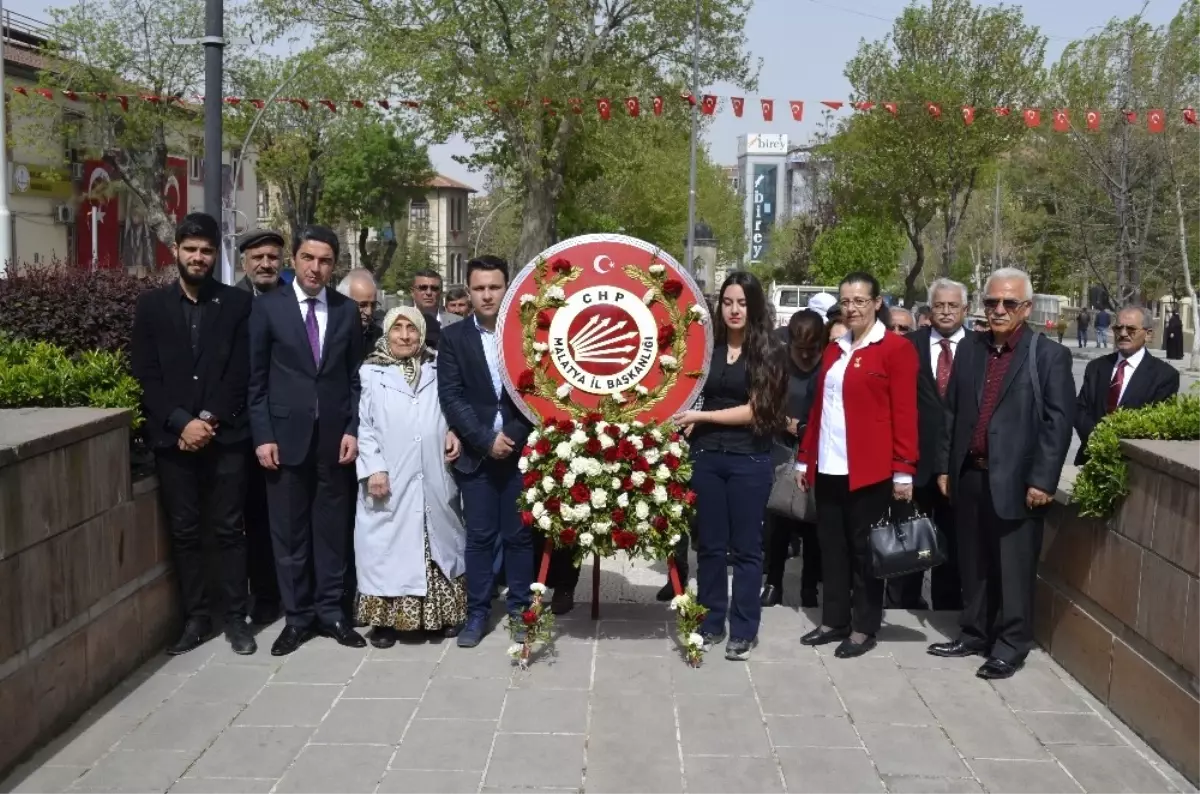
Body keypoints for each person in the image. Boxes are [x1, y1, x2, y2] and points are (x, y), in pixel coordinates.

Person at [931, 268, 1074, 680]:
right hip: (971, 477)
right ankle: (974, 633)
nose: (998, 310)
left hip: (1017, 481)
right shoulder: (971, 349)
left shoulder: (1047, 356)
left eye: (1009, 303)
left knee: (1013, 569)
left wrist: (1043, 480)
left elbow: (1057, 422)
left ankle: (1011, 644)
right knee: (972, 564)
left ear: (1026, 308)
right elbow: (951, 413)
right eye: (991, 302)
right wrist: (944, 467)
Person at [130, 213, 256, 656]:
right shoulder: (152, 306)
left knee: (228, 529)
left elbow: (241, 372)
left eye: (206, 251)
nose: (199, 257)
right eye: (191, 250)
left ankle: (236, 618)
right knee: (183, 532)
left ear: (214, 255)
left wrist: (206, 419)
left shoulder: (238, 305)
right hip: (173, 440)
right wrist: (182, 422)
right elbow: (146, 375)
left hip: (225, 438)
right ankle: (197, 618)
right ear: (176, 251)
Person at [248, 225, 367, 656]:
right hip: (284, 441)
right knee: (290, 536)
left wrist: (353, 428)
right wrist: (262, 436)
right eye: (309, 259)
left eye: (325, 261)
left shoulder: (346, 310)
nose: (316, 268)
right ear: (294, 260)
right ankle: (297, 618)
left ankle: (332, 612)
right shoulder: (268, 309)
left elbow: (356, 380)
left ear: (334, 265)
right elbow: (255, 380)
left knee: (332, 533)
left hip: (335, 443)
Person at [796, 271, 919, 660]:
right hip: (830, 465)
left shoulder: (895, 350)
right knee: (831, 547)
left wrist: (903, 469)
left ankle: (864, 626)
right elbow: (818, 410)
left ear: (877, 303)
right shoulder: (835, 349)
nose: (851, 308)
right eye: (845, 301)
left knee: (866, 551)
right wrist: (805, 459)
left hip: (870, 470)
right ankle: (834, 619)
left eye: (859, 301)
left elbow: (905, 413)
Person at [672, 272, 787, 661]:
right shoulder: (710, 349)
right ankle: (710, 622)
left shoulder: (769, 349)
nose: (734, 310)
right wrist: (689, 421)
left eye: (742, 302)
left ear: (754, 306)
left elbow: (758, 411)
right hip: (706, 458)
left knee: (747, 550)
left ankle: (743, 629)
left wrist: (703, 418)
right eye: (727, 302)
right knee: (709, 547)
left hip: (748, 460)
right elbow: (691, 393)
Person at [437, 255, 535, 648]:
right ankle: (477, 614)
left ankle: (520, 610)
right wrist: (482, 439)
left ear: (507, 287)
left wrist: (510, 435)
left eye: (494, 287)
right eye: (479, 288)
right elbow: (452, 395)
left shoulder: (525, 334)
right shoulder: (453, 338)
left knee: (519, 537)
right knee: (478, 537)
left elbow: (536, 391)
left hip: (519, 451)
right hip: (475, 454)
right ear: (468, 291)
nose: (487, 295)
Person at [355, 307, 466, 647]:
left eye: (411, 329)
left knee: (437, 541)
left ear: (422, 333)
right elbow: (365, 425)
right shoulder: (370, 372)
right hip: (390, 476)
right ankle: (385, 623)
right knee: (388, 547)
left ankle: (441, 615)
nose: (404, 335)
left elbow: (452, 407)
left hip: (434, 474)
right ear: (386, 333)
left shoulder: (437, 368)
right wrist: (373, 468)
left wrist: (455, 432)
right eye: (397, 328)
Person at [888, 279, 970, 612]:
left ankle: (947, 608)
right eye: (940, 305)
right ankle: (901, 604)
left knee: (952, 542)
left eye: (953, 306)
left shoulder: (980, 348)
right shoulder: (909, 344)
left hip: (959, 465)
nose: (946, 312)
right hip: (914, 464)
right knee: (909, 539)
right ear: (930, 308)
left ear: (964, 309)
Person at [235, 228, 285, 626]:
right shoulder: (233, 303)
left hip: (291, 429)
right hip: (244, 431)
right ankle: (265, 596)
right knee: (255, 519)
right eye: (258, 258)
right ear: (244, 262)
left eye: (272, 257)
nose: (265, 264)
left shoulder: (294, 301)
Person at [761, 309, 823, 609]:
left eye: (814, 349)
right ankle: (773, 581)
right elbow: (764, 405)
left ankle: (809, 586)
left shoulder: (827, 366)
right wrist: (788, 423)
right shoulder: (779, 364)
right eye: (802, 350)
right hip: (782, 449)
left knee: (813, 523)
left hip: (817, 452)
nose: (808, 356)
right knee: (778, 520)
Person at [1074, 306, 1179, 465]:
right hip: (1090, 459)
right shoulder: (1096, 367)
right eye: (1118, 328)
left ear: (1148, 334)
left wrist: (1117, 447)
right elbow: (1080, 409)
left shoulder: (1165, 376)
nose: (1123, 334)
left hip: (1133, 466)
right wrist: (1097, 440)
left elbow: (1155, 426)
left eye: (1130, 329)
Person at [337, 269, 382, 363]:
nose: (369, 312)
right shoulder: (330, 335)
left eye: (373, 305)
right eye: (362, 305)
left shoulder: (380, 338)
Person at [235, 228, 285, 297]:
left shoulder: (296, 299)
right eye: (258, 257)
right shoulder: (232, 301)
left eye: (272, 257)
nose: (266, 265)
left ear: (282, 261)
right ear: (243, 263)